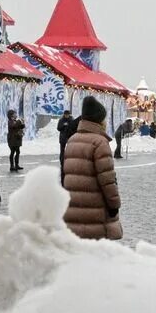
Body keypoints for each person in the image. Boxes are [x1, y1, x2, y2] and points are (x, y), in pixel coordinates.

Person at [61, 95, 122, 240]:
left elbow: (65, 176)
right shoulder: (100, 142)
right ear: (99, 121)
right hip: (95, 213)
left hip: (74, 210)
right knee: (97, 257)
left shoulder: (72, 140)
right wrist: (114, 205)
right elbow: (107, 180)